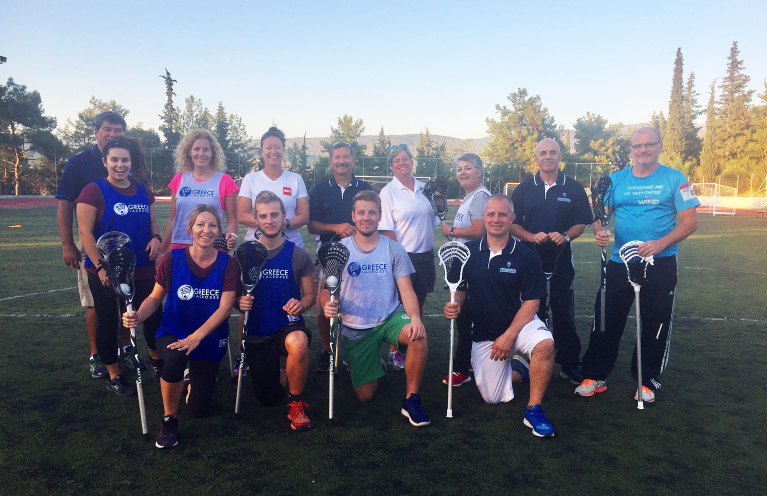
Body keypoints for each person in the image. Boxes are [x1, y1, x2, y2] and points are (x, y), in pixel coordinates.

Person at [575, 127, 700, 403]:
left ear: (660, 146)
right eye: (637, 146)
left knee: (655, 322)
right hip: (620, 262)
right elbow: (601, 217)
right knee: (605, 317)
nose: (643, 150)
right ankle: (595, 375)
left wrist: (660, 244)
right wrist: (600, 232)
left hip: (660, 262)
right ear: (631, 150)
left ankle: (647, 381)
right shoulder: (616, 180)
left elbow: (691, 222)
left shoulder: (675, 178)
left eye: (649, 144)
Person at [123, 204, 239, 448]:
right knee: (175, 358)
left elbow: (225, 308)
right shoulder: (171, 259)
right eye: (200, 224)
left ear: (219, 232)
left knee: (198, 410)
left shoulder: (228, 264)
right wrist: (137, 315)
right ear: (189, 230)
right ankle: (169, 419)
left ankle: (189, 381)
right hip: (173, 332)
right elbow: (155, 297)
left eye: (213, 225)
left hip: (208, 337)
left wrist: (196, 337)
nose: (206, 230)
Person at [443, 194, 556, 437]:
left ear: (512, 218)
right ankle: (521, 368)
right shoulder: (467, 252)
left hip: (520, 325)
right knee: (492, 398)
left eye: (502, 214)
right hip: (484, 332)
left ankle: (534, 409)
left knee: (545, 345)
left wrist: (509, 336)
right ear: (483, 216)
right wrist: (454, 305)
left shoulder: (526, 255)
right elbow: (459, 291)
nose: (496, 219)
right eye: (491, 214)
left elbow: (532, 303)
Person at [322, 190, 431, 427]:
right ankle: (374, 362)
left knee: (418, 336)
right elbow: (326, 290)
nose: (366, 217)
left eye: (372, 212)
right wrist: (327, 305)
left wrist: (415, 318)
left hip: (390, 317)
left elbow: (407, 290)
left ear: (380, 216)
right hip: (356, 326)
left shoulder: (393, 248)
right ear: (353, 216)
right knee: (365, 396)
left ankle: (412, 399)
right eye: (361, 212)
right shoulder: (339, 249)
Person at [76, 136, 163, 395]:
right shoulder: (92, 191)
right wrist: (101, 267)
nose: (120, 164)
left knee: (153, 316)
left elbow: (153, 223)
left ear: (131, 161)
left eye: (125, 159)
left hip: (143, 267)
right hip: (107, 271)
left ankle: (156, 359)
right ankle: (114, 373)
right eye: (114, 159)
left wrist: (156, 238)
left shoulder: (143, 190)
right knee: (108, 322)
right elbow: (85, 232)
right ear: (105, 161)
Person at [510, 138, 593, 385]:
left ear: (560, 156)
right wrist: (530, 237)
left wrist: (565, 236)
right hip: (529, 262)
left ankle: (569, 363)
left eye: (553, 152)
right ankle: (527, 359)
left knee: (563, 311)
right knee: (530, 309)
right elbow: (512, 224)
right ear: (536, 157)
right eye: (543, 153)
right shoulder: (523, 189)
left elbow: (581, 222)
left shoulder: (574, 188)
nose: (548, 157)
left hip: (560, 262)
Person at [56, 111, 126, 379]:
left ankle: (125, 349)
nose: (113, 134)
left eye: (118, 130)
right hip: (93, 245)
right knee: (95, 303)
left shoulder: (131, 159)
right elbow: (65, 204)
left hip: (126, 245)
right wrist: (67, 244)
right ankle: (97, 355)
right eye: (107, 129)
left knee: (126, 300)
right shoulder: (79, 163)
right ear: (96, 133)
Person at [238, 191, 316, 431]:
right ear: (256, 219)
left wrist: (301, 304)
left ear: (284, 216)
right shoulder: (244, 255)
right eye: (263, 216)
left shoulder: (298, 254)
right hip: (258, 329)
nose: (269, 220)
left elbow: (310, 295)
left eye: (274, 215)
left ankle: (296, 403)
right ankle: (284, 371)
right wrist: (239, 303)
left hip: (287, 324)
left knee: (298, 343)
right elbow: (233, 297)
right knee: (269, 399)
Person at [307, 141, 372, 372]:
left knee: (359, 303)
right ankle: (327, 351)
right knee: (323, 305)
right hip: (328, 257)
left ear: (354, 160)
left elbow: (373, 219)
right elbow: (311, 226)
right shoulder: (320, 190)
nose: (341, 161)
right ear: (330, 161)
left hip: (361, 256)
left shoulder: (365, 188)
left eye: (346, 157)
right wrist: (336, 227)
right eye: (337, 157)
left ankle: (357, 351)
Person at [379, 144, 439, 370]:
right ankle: (395, 351)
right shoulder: (387, 192)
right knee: (400, 305)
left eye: (405, 158)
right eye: (396, 160)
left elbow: (434, 220)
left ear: (412, 161)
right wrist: (399, 256)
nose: (401, 163)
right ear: (391, 165)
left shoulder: (425, 189)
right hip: (402, 257)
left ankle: (414, 343)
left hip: (425, 256)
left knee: (418, 304)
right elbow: (386, 230)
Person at [439, 153, 491, 387]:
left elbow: (479, 230)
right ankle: (469, 361)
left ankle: (462, 369)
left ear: (479, 171)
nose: (462, 173)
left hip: (473, 266)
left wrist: (452, 231)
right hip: (465, 265)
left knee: (465, 317)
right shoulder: (470, 196)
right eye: (459, 169)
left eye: (468, 168)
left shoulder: (480, 196)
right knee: (465, 317)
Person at [159, 129, 239, 254]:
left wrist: (232, 235)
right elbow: (172, 219)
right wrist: (161, 250)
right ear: (189, 152)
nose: (201, 153)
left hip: (212, 247)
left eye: (206, 149)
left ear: (212, 153)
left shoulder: (225, 181)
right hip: (180, 247)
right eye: (196, 149)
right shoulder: (179, 180)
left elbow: (232, 219)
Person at [238, 126, 309, 248]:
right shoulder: (250, 179)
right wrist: (269, 223)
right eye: (268, 148)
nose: (273, 151)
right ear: (262, 152)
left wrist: (284, 223)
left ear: (283, 150)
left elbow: (304, 216)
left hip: (291, 246)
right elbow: (241, 215)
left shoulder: (296, 179)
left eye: (277, 147)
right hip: (255, 247)